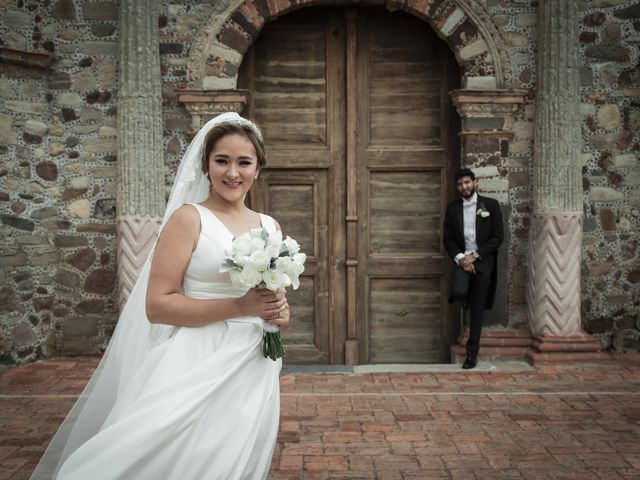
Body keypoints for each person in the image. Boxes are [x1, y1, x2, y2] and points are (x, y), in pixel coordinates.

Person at [31, 113, 290, 479]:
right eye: (222, 160)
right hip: (197, 357)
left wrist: (278, 312)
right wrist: (238, 306)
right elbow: (157, 306)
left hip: (253, 361)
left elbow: (274, 303)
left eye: (243, 162)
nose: (233, 172)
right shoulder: (189, 219)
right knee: (172, 453)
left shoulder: (268, 225)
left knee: (231, 456)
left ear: (257, 168)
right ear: (206, 165)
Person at [443, 168, 503, 370]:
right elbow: (448, 239)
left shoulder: (491, 206)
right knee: (459, 291)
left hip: (482, 261)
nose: (464, 187)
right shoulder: (452, 209)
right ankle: (465, 297)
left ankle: (472, 353)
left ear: (474, 182)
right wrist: (461, 258)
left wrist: (475, 256)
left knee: (477, 310)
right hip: (462, 260)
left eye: (467, 182)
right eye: (460, 184)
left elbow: (497, 238)